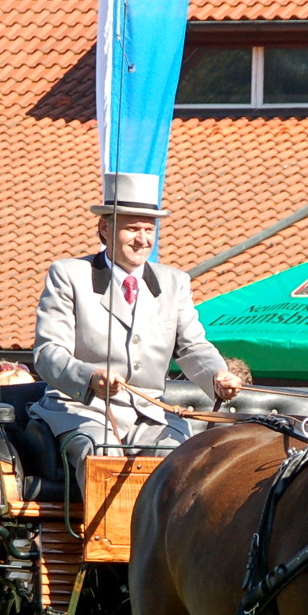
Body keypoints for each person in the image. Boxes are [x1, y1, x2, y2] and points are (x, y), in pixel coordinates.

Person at [30, 171, 244, 475]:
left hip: (152, 416)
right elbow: (48, 352)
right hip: (83, 411)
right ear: (105, 228)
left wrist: (217, 375)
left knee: (185, 459)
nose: (143, 239)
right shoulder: (68, 275)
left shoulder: (174, 282)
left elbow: (193, 346)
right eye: (132, 229)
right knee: (102, 455)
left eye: (149, 229)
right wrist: (89, 376)